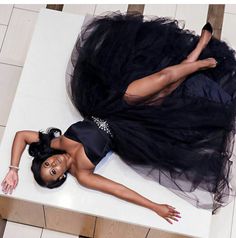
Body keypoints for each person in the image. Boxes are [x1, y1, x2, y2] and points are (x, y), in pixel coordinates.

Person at [1, 11, 236, 224]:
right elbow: (118, 190)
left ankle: (199, 63)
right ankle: (196, 52)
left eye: (47, 163)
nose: (54, 164)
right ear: (61, 177)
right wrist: (155, 207)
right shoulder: (83, 175)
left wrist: (13, 169)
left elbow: (21, 135)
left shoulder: (55, 143)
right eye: (53, 171)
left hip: (112, 105)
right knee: (166, 91)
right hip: (130, 128)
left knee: (162, 78)